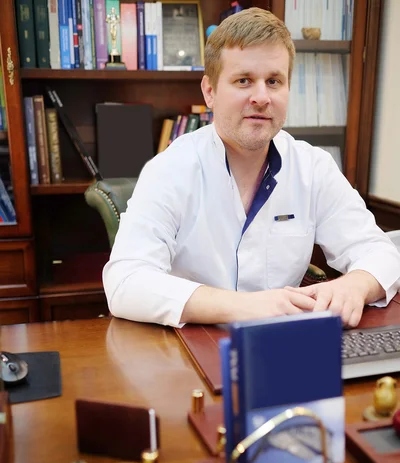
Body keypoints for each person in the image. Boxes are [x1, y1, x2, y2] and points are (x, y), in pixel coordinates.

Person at [103, 7, 400, 329]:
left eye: (274, 81)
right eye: (243, 81)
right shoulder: (170, 170)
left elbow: (377, 251)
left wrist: (353, 285)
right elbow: (125, 282)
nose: (261, 97)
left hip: (283, 341)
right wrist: (245, 306)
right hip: (193, 346)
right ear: (210, 91)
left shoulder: (313, 167)